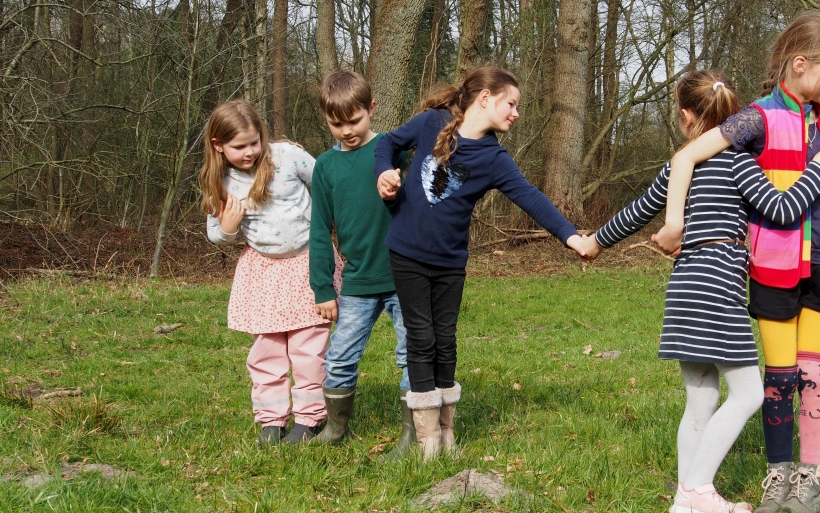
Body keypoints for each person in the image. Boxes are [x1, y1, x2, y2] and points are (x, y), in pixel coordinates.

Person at [580, 69, 820, 513]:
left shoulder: (676, 170)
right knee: (746, 394)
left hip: (684, 284)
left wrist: (593, 243)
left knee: (701, 397)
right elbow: (781, 210)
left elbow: (637, 213)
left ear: (685, 118)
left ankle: (688, 495)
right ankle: (698, 488)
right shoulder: (739, 162)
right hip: (718, 281)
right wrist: (818, 169)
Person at [659, 12, 820, 513]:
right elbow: (686, 158)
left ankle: (809, 479)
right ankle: (778, 475)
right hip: (774, 265)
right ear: (800, 63)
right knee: (780, 376)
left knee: (815, 373)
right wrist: (677, 223)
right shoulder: (754, 119)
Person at [375, 66, 588, 461]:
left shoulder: (493, 157)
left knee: (446, 339)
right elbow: (386, 143)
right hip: (405, 252)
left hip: (450, 261)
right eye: (511, 103)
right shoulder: (431, 123)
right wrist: (384, 171)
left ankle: (446, 434)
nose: (516, 113)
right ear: (485, 97)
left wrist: (571, 236)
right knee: (420, 338)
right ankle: (427, 444)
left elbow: (530, 197)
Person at [200, 100, 340, 445]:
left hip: (309, 261)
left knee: (309, 350)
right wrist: (228, 228)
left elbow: (325, 181)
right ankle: (271, 420)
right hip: (264, 272)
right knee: (267, 351)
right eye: (239, 146)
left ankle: (310, 419)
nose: (250, 152)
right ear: (218, 145)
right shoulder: (221, 180)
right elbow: (215, 232)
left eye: (254, 142)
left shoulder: (287, 158)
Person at [308, 71, 413, 458]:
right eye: (337, 124)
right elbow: (319, 230)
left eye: (354, 120)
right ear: (326, 119)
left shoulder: (391, 149)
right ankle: (336, 428)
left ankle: (412, 436)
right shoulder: (325, 168)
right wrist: (322, 287)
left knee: (411, 355)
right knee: (339, 357)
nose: (347, 130)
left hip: (405, 275)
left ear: (372, 109)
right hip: (356, 280)